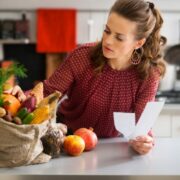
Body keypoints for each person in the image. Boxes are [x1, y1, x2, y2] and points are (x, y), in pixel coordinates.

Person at [8, 0, 166, 155]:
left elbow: (142, 125)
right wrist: (22, 97)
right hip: (68, 139)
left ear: (138, 43)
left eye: (119, 37)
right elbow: (48, 92)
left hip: (111, 147)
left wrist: (144, 141)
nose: (108, 40)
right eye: (107, 30)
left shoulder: (149, 74)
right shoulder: (82, 56)